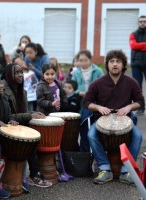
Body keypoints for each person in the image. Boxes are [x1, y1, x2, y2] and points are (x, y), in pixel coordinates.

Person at [84, 49, 144, 185]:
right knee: (91, 135)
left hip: (126, 120)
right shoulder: (98, 83)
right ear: (107, 64)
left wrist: (129, 107)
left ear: (123, 65)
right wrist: (99, 107)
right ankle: (105, 168)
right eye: (112, 61)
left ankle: (126, 171)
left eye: (118, 61)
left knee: (138, 136)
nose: (115, 64)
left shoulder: (131, 82)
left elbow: (141, 102)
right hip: (102, 120)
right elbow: (86, 102)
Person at [2, 63, 53, 188]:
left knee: (34, 139)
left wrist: (33, 113)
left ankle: (33, 174)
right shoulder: (3, 91)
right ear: (9, 74)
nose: (20, 75)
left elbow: (23, 112)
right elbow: (8, 117)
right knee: (30, 142)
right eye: (17, 72)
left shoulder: (22, 91)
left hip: (20, 126)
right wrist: (30, 115)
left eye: (21, 72)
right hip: (7, 128)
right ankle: (33, 175)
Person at [72, 49, 103, 152]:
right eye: (81, 60)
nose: (83, 63)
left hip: (95, 102)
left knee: (94, 126)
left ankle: (95, 149)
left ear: (90, 60)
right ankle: (84, 151)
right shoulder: (76, 72)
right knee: (83, 126)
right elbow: (72, 87)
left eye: (85, 60)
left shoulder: (98, 71)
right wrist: (78, 92)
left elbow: (104, 86)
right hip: (81, 101)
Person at [129, 15, 146, 115]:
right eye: (141, 21)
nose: (143, 23)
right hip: (136, 64)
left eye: (144, 21)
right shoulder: (133, 34)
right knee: (137, 87)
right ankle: (141, 107)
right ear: (138, 23)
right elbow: (133, 46)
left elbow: (137, 46)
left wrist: (140, 46)